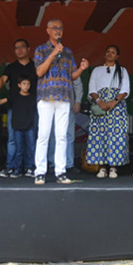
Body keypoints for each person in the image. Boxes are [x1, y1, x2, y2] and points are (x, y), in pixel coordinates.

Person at [33, 19, 89, 185]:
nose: (58, 31)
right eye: (55, 28)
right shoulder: (41, 50)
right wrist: (53, 54)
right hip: (46, 97)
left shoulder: (68, 52)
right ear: (48, 30)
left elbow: (72, 76)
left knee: (62, 136)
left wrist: (81, 69)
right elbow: (39, 71)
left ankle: (60, 171)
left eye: (60, 28)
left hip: (64, 98)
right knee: (43, 135)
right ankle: (40, 172)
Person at [0, 39, 37, 178]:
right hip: (14, 108)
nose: (19, 50)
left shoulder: (36, 66)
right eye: (16, 48)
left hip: (31, 108)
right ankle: (11, 167)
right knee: (12, 139)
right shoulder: (11, 67)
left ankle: (30, 167)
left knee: (32, 138)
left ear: (28, 49)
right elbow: (3, 80)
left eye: (22, 47)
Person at [86, 45, 130, 179]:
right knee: (100, 136)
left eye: (113, 52)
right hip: (100, 106)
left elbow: (125, 89)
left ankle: (113, 167)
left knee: (115, 137)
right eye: (108, 52)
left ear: (117, 56)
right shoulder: (97, 70)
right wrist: (100, 101)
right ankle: (102, 167)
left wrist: (114, 101)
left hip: (116, 107)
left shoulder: (122, 70)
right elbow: (92, 88)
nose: (110, 54)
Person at [47, 77, 84, 174]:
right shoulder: (47, 64)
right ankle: (53, 163)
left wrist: (78, 101)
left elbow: (78, 84)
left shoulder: (69, 64)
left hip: (68, 105)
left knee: (69, 135)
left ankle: (69, 164)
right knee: (53, 135)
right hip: (51, 105)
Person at [9, 76, 37, 177]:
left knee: (31, 148)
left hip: (29, 126)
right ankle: (18, 169)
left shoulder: (33, 97)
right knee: (19, 149)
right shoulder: (14, 97)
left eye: (28, 84)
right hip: (17, 127)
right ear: (19, 85)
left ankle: (30, 168)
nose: (26, 86)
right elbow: (3, 101)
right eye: (24, 84)